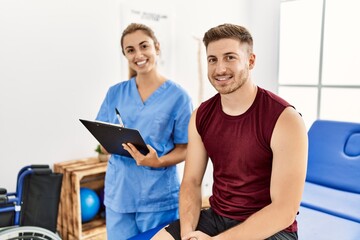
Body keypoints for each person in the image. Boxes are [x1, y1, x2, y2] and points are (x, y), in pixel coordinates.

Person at [152, 23, 308, 240]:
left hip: (272, 228)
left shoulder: (285, 119)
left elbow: (284, 211)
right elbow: (192, 182)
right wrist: (188, 234)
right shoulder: (201, 115)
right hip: (218, 217)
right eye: (212, 59)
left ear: (250, 61)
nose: (220, 69)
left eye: (230, 57)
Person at [95, 23, 193, 240]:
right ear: (125, 55)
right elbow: (102, 137)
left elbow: (186, 149)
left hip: (157, 196)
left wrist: (158, 161)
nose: (138, 54)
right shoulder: (115, 93)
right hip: (119, 193)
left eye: (144, 46)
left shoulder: (179, 97)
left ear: (156, 48)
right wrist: (109, 141)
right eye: (130, 50)